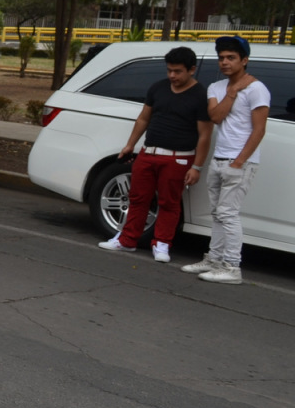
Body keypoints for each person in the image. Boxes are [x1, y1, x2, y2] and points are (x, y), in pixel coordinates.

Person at [97, 46, 211, 262]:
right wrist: (130, 144)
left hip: (178, 157)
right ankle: (127, 240)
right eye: (169, 70)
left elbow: (205, 134)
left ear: (192, 70)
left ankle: (162, 244)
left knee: (169, 202)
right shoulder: (158, 88)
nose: (172, 76)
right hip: (148, 152)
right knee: (138, 198)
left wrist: (196, 166)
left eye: (177, 71)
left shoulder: (200, 95)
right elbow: (143, 118)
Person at [181, 35, 270, 284]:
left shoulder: (257, 89)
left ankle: (232, 267)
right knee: (217, 213)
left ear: (244, 60)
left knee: (228, 214)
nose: (225, 62)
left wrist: (239, 162)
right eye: (221, 58)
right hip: (219, 159)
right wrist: (232, 92)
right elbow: (216, 117)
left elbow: (259, 130)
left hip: (240, 162)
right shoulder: (216, 88)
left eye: (231, 57)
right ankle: (214, 259)